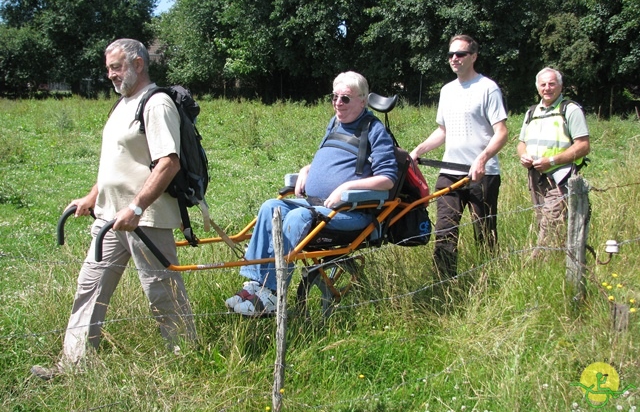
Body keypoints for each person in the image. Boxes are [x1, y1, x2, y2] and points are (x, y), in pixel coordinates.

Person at [31, 39, 197, 380]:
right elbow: (118, 162)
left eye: (116, 67)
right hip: (108, 218)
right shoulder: (122, 104)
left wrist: (136, 207)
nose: (110, 74)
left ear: (138, 65)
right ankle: (73, 367)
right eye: (108, 68)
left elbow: (169, 164)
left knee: (161, 292)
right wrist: (92, 196)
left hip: (144, 219)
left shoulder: (156, 104)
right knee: (89, 289)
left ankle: (187, 361)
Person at [225, 71, 398, 316]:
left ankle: (272, 293)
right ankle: (256, 285)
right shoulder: (335, 123)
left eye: (345, 98)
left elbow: (388, 179)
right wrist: (307, 169)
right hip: (316, 205)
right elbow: (329, 159)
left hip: (351, 212)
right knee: (269, 207)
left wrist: (345, 187)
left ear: (362, 100)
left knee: (295, 219)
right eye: (334, 97)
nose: (338, 103)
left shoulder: (374, 130)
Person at [409, 35, 508, 280]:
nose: (454, 58)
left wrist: (482, 159)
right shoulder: (447, 90)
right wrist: (417, 151)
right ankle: (443, 282)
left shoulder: (488, 88)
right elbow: (443, 131)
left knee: (484, 230)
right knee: (445, 228)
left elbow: (502, 132)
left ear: (473, 56)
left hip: (482, 174)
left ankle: (489, 278)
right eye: (451, 54)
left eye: (460, 54)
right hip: (449, 172)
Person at [517, 67, 590, 249]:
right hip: (535, 178)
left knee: (549, 223)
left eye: (552, 84)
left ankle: (537, 264)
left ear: (560, 86)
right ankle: (557, 257)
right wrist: (523, 156)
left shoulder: (570, 110)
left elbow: (583, 146)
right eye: (543, 84)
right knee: (543, 219)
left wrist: (552, 161)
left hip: (561, 177)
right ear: (537, 87)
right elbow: (521, 143)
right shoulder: (532, 112)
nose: (547, 88)